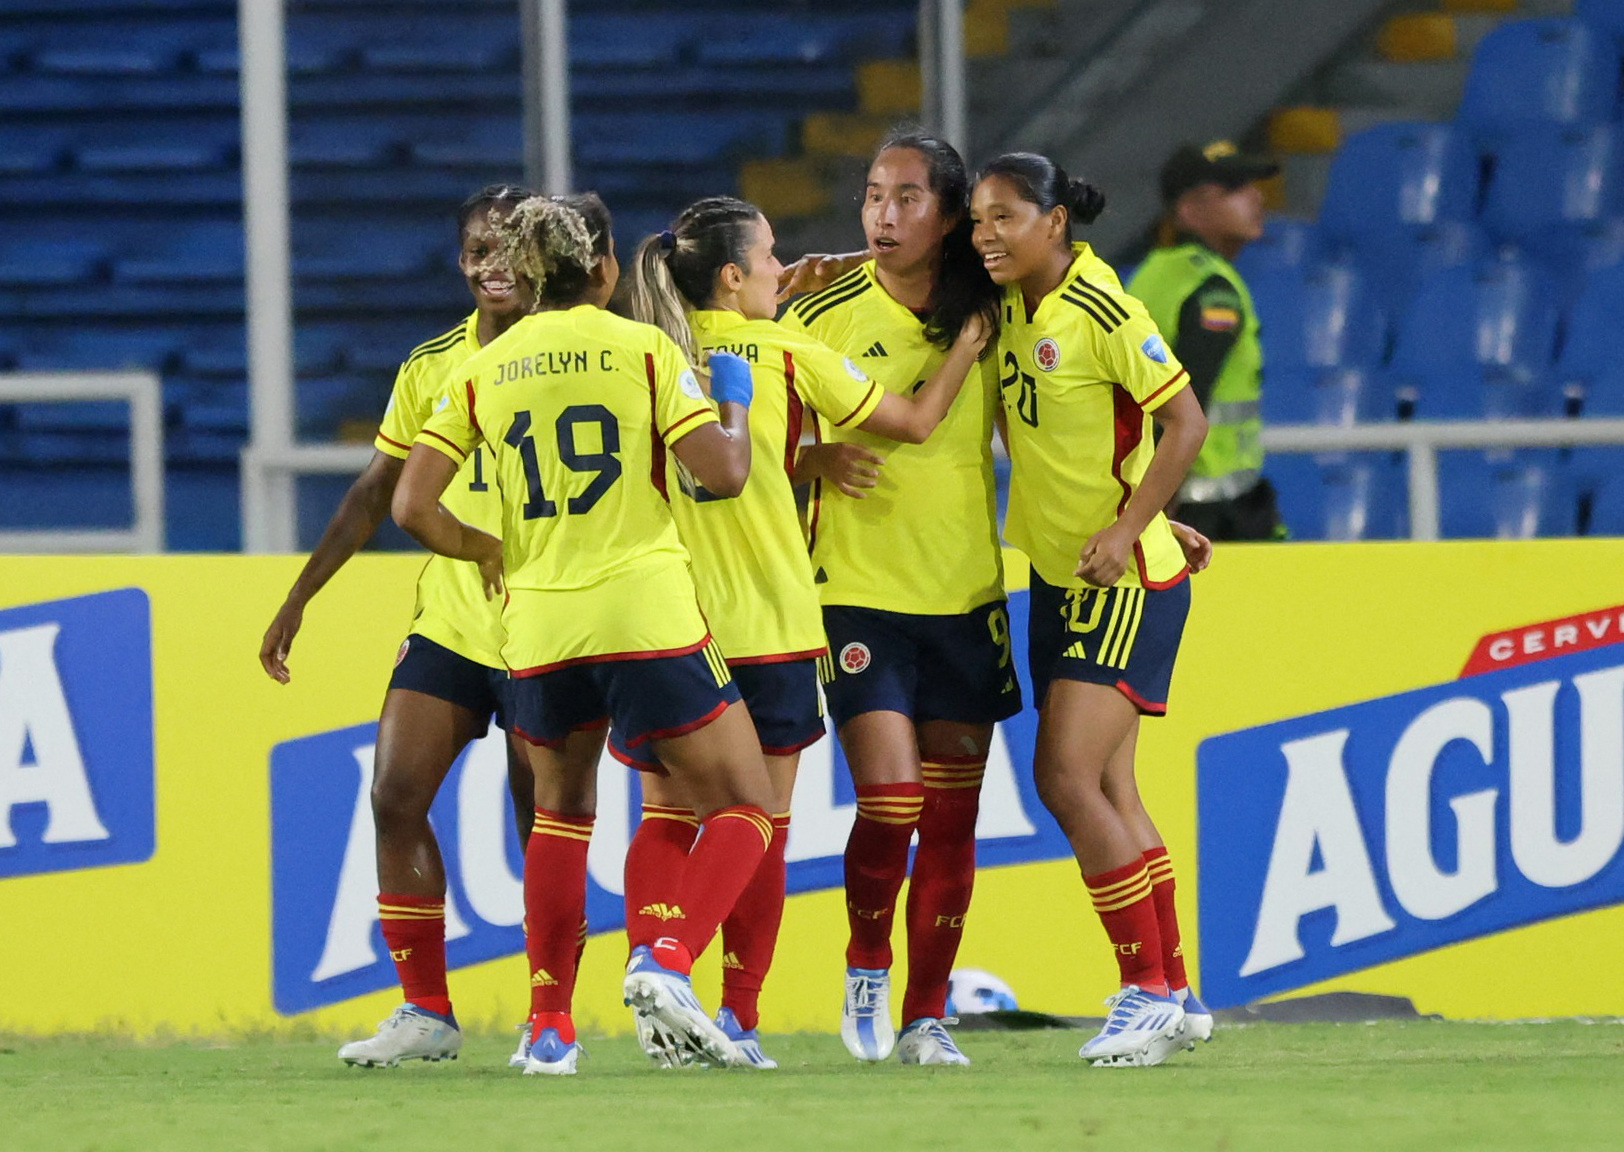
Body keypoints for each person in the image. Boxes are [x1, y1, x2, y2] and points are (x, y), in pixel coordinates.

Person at [391, 195, 776, 1076]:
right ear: (602, 269)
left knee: (561, 818)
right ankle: (667, 963)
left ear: (526, 275)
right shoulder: (645, 350)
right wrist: (735, 404)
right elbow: (722, 476)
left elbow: (413, 505)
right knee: (745, 803)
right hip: (643, 612)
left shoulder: (484, 369)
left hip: (539, 624)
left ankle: (549, 1030)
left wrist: (486, 545)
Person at [617, 195, 990, 1068]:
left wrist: (806, 458)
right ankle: (731, 1014)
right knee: (761, 823)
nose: (786, 269)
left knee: (668, 815)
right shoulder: (788, 353)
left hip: (668, 621)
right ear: (733, 275)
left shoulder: (649, 357)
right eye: (772, 255)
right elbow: (914, 422)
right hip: (771, 622)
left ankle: (653, 973)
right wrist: (967, 347)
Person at [258, 184, 586, 1070]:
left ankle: (550, 1017)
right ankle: (428, 1012)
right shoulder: (432, 364)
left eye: (511, 248)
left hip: (546, 617)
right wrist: (301, 596)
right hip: (450, 619)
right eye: (479, 249)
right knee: (395, 794)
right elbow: (376, 492)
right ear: (460, 261)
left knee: (542, 815)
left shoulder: (580, 353)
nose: (494, 265)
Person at [777, 131, 1014, 1067]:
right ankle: (867, 965)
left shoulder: (995, 308)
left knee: (953, 817)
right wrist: (812, 455)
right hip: (857, 593)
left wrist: (1148, 520)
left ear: (951, 216)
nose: (882, 215)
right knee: (893, 797)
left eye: (907, 198)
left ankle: (927, 1016)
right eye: (873, 195)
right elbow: (732, 440)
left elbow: (1061, 423)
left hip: (964, 590)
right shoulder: (820, 312)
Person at [970, 152, 1211, 1068]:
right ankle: (1177, 991)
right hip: (1066, 573)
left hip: (1118, 581)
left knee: (1065, 779)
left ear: (1054, 221)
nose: (986, 234)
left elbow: (1184, 420)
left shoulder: (1107, 308)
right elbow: (1088, 445)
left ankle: (1143, 991)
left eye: (1005, 218)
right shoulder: (1010, 312)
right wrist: (1154, 514)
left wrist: (1136, 525)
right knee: (1110, 788)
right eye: (979, 219)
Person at [1129, 140, 1282, 541]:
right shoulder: (1214, 291)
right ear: (1188, 211)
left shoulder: (1152, 273)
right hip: (1210, 514)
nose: (1254, 197)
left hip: (1174, 500)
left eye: (1251, 185)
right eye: (1232, 189)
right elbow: (1185, 403)